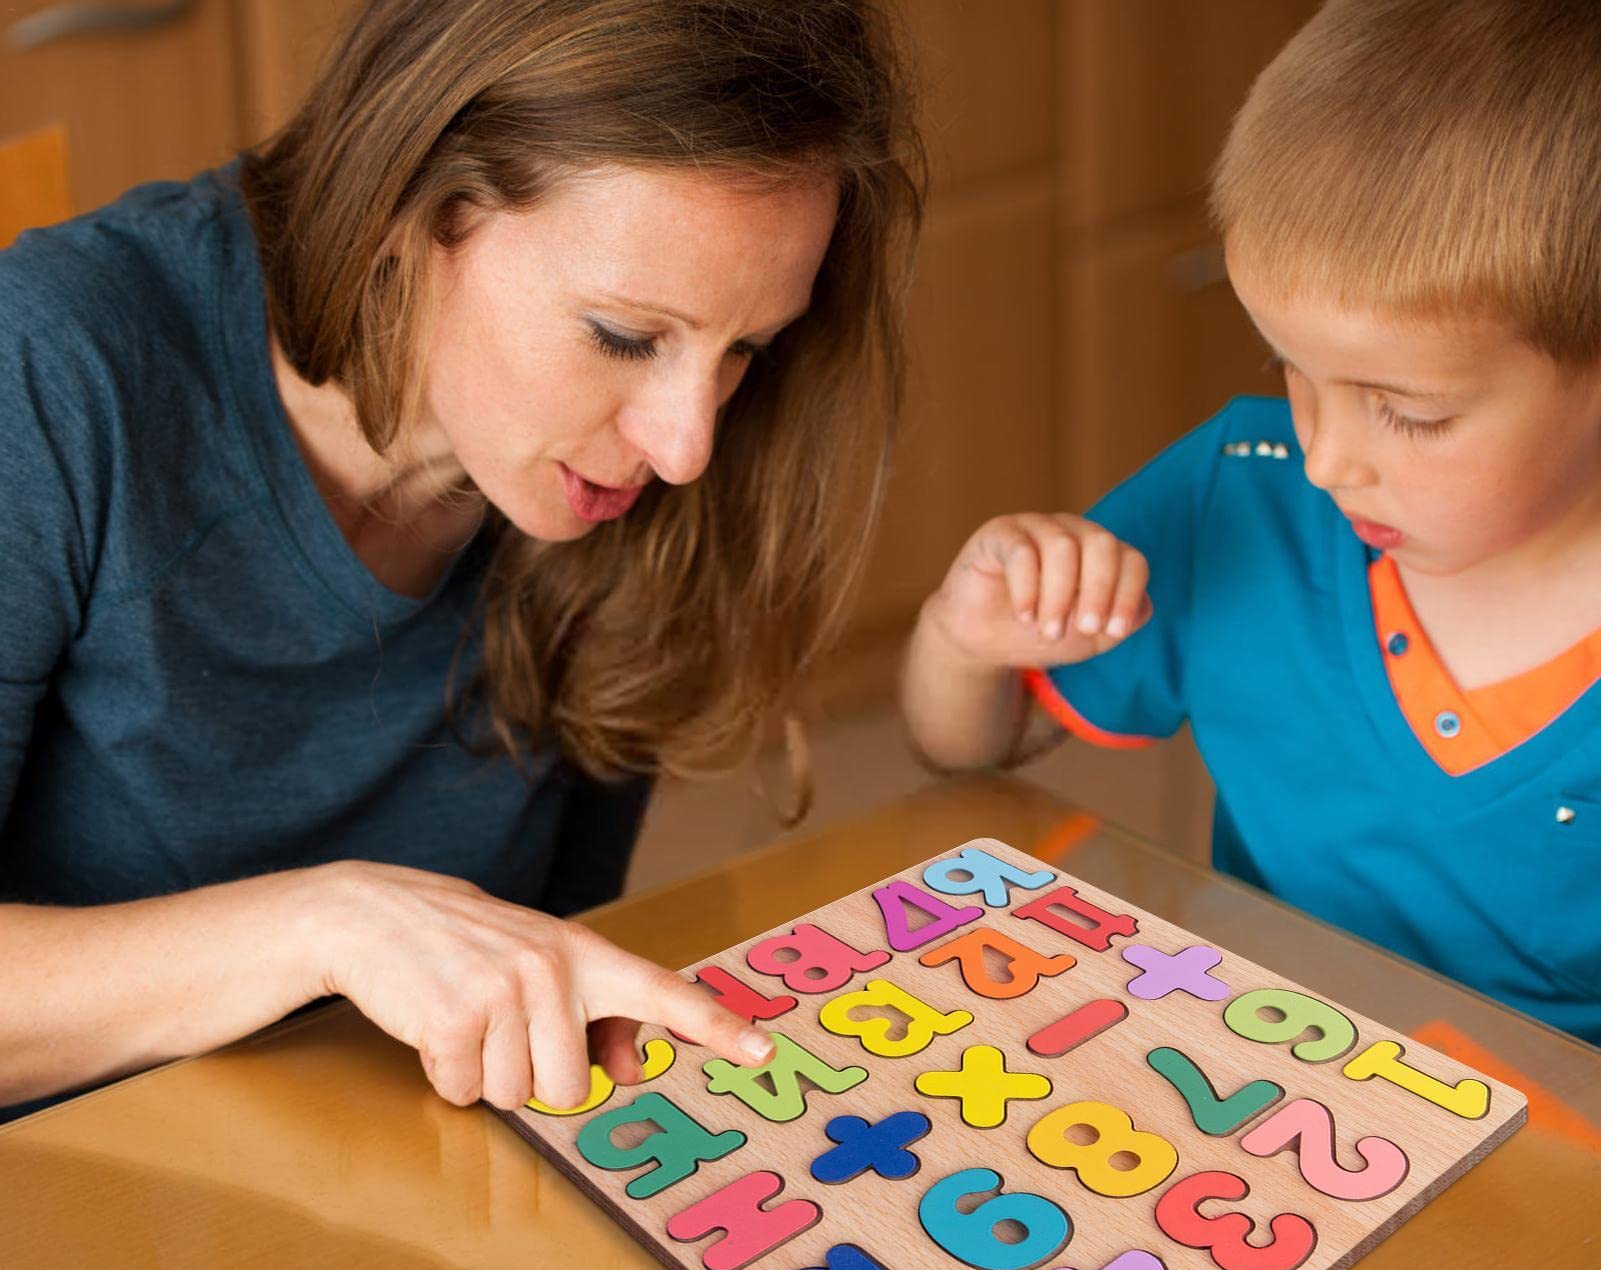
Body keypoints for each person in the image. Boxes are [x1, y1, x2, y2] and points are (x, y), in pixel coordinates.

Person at [0, 0, 925, 1116]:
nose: (685, 447)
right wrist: (323, 926)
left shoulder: (634, 474)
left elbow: (554, 961)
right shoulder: (52, 365)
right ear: (413, 210)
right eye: (624, 336)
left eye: (744, 349)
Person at [903, 0, 1601, 1045]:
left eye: (1408, 413)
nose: (1326, 458)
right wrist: (962, 642)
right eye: (1288, 369)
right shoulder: (1245, 488)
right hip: (1264, 1108)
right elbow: (973, 749)